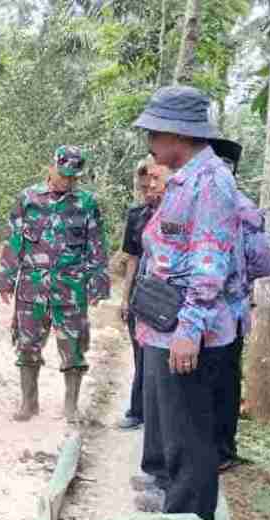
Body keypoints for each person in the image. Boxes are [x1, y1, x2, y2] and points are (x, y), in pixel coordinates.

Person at [130, 86, 241, 520]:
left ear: (177, 134)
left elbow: (209, 266)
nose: (150, 144)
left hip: (186, 330)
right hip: (166, 325)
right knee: (176, 431)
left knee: (190, 436)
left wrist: (189, 329)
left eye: (153, 134)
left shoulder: (211, 182)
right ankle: (176, 512)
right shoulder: (184, 179)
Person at [0, 145, 110, 423]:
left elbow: (96, 245)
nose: (67, 181)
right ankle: (29, 403)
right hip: (32, 289)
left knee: (73, 348)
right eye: (63, 174)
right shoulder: (28, 198)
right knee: (27, 345)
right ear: (52, 168)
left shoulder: (86, 203)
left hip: (71, 289)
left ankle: (71, 407)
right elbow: (14, 241)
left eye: (73, 177)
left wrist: (98, 282)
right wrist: (5, 279)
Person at [211, 139, 270, 471]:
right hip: (231, 314)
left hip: (208, 315)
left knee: (206, 382)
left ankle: (212, 451)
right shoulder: (246, 207)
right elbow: (261, 263)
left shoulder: (198, 202)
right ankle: (222, 450)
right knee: (225, 381)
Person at [116, 157, 169, 430]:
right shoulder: (136, 215)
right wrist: (125, 298)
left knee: (163, 358)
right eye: (143, 187)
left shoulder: (178, 212)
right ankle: (138, 410)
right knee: (141, 355)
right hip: (142, 294)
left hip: (169, 297)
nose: (149, 191)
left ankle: (163, 417)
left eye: (153, 184)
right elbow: (132, 259)